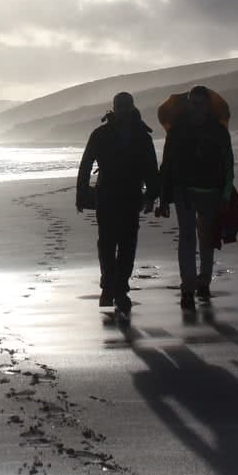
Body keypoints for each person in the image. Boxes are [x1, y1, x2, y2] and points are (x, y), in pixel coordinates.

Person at [76, 91, 160, 317]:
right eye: (120, 107)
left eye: (126, 107)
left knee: (125, 245)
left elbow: (151, 168)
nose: (123, 111)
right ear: (114, 108)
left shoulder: (141, 136)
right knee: (107, 243)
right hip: (107, 196)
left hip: (130, 196)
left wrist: (152, 195)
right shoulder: (101, 134)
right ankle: (109, 286)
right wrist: (81, 194)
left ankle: (119, 288)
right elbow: (85, 165)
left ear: (131, 108)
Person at [157, 85, 235, 309]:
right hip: (184, 191)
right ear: (188, 103)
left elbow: (228, 163)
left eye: (200, 103)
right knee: (187, 238)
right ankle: (188, 287)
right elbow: (168, 164)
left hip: (211, 193)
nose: (196, 107)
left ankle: (204, 281)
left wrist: (226, 194)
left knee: (206, 239)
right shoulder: (177, 129)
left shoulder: (218, 131)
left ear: (207, 105)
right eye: (193, 103)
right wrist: (163, 197)